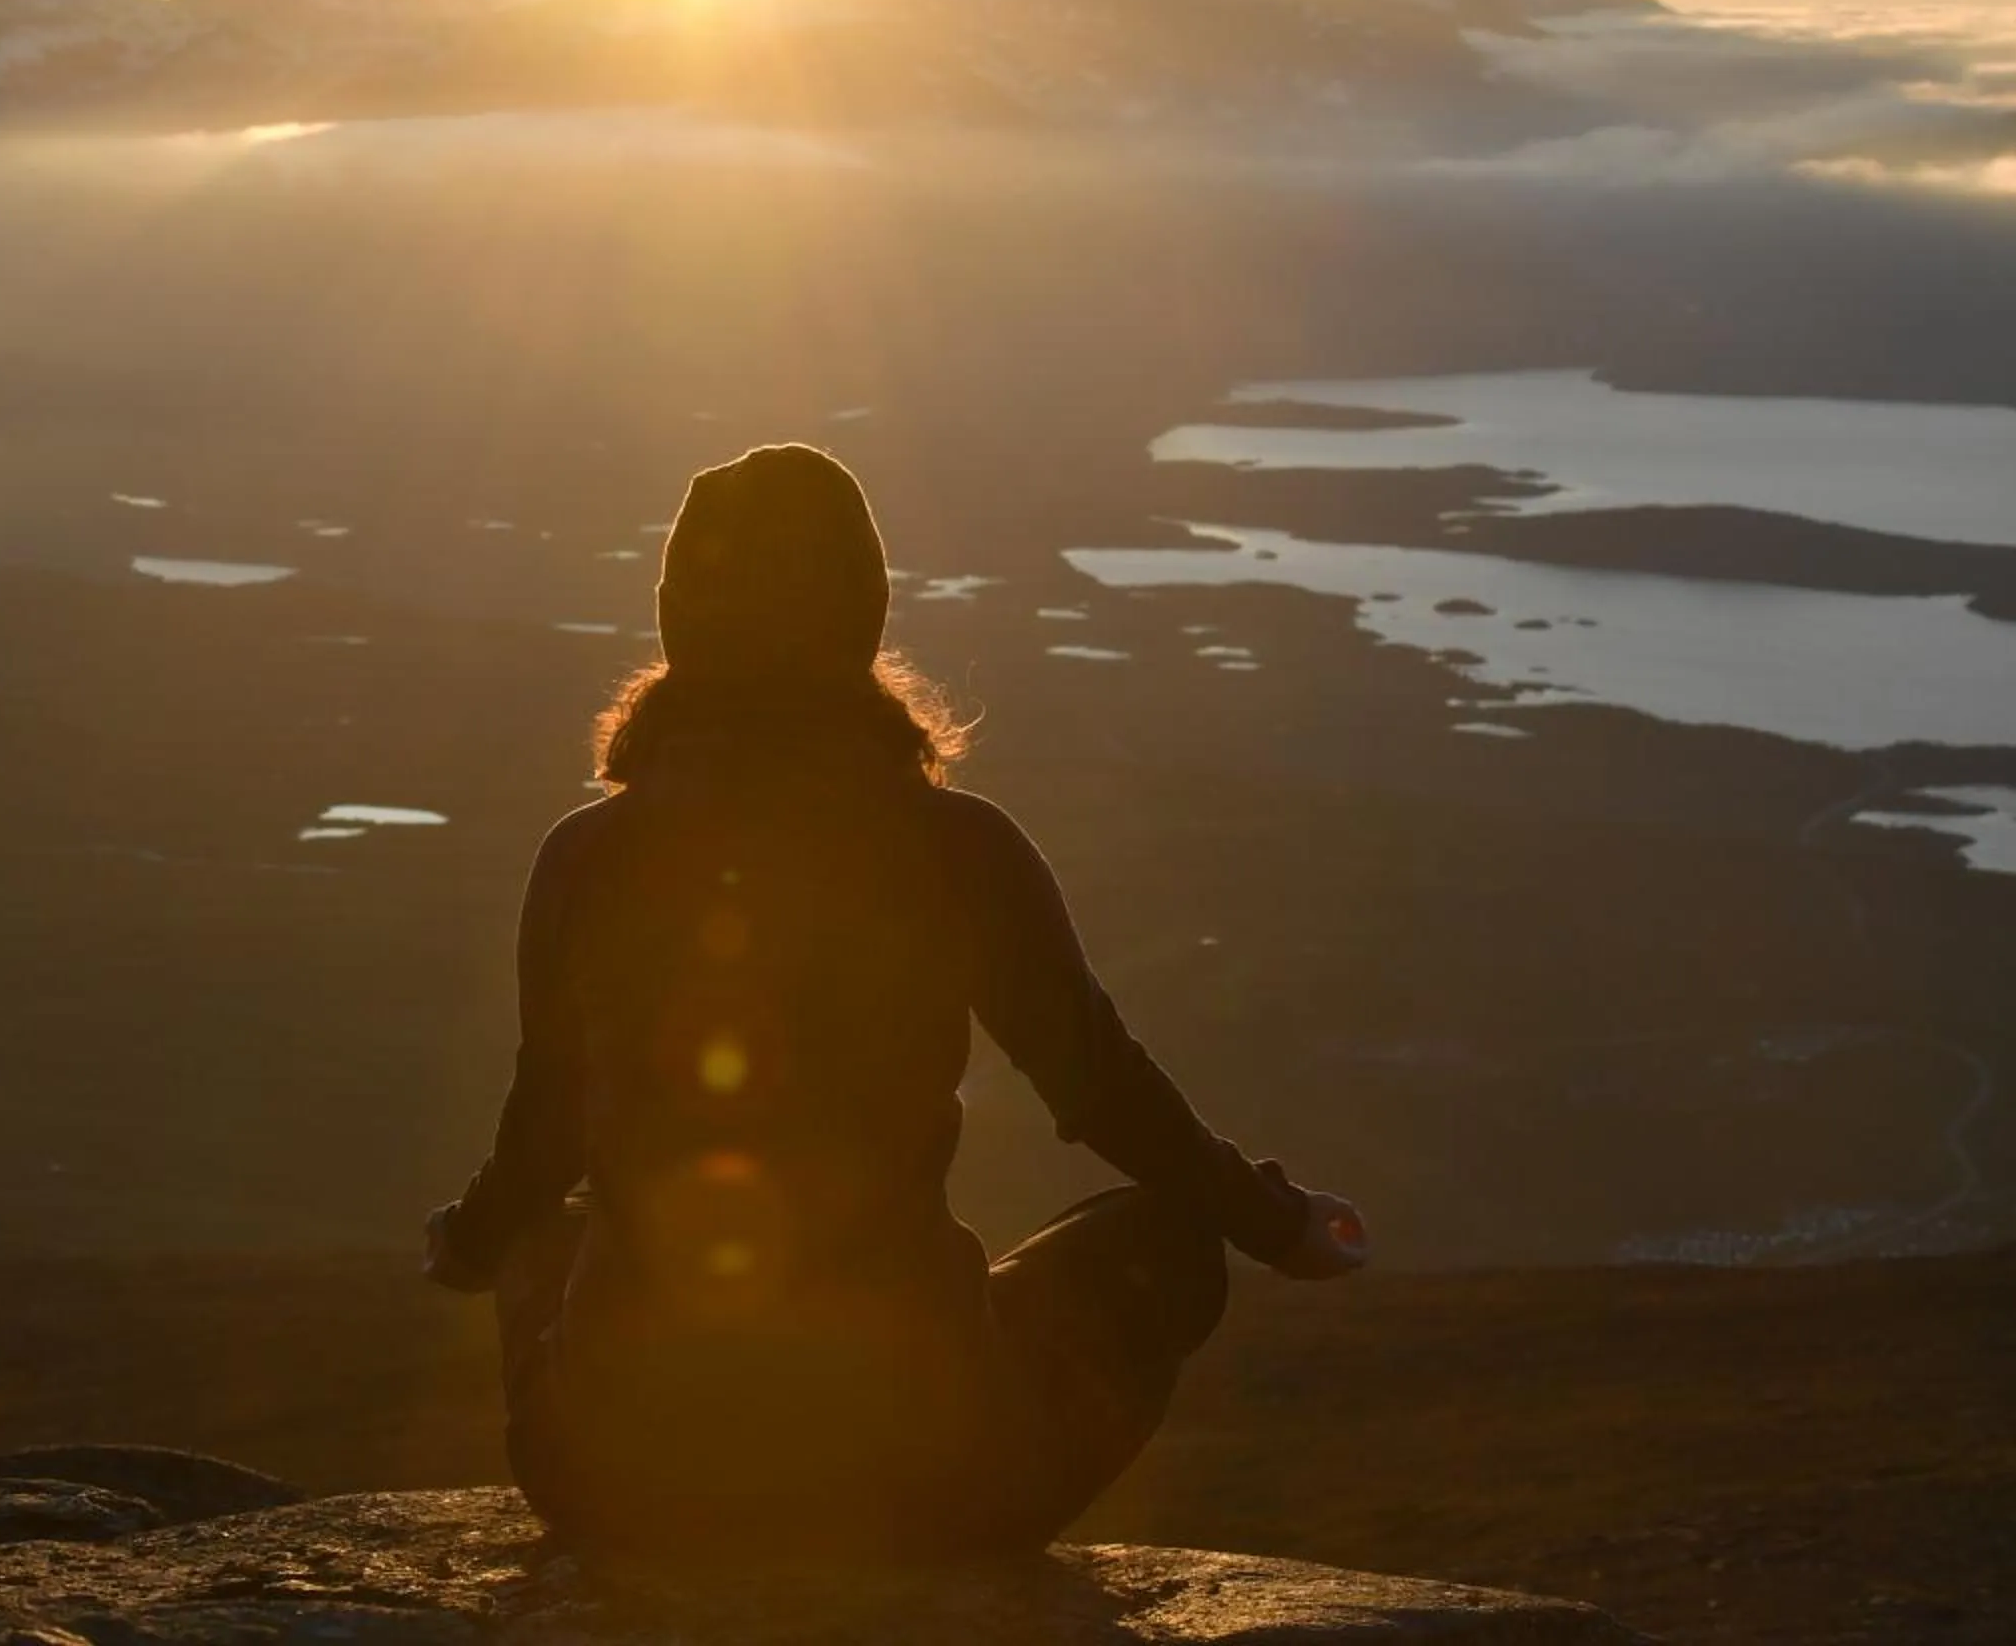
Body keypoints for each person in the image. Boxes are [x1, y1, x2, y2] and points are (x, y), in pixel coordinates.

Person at [423, 443, 1367, 1558]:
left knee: (552, 1226)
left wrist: (470, 1243)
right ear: (863, 615)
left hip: (613, 1485)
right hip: (917, 1480)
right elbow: (1105, 1089)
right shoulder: (959, 847)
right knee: (1168, 1243)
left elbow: (543, 1134)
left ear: (678, 618)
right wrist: (1274, 1223)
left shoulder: (585, 856)